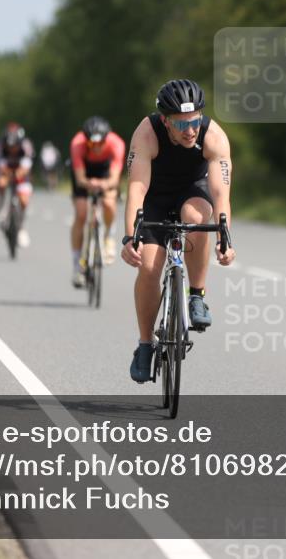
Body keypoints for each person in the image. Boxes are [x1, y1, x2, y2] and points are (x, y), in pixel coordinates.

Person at [120, 79, 236, 383]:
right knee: (148, 267)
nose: (190, 130)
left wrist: (225, 238)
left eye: (195, 121)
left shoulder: (214, 136)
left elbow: (221, 195)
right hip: (155, 197)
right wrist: (131, 237)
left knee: (196, 218)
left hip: (193, 191)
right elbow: (136, 190)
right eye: (181, 124)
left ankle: (196, 294)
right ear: (165, 121)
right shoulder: (146, 134)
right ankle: (145, 345)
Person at [70, 116, 125, 286]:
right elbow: (80, 179)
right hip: (85, 171)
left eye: (100, 143)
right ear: (86, 140)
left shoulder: (116, 144)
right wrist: (89, 183)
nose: (96, 147)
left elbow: (114, 178)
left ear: (106, 139)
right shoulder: (77, 144)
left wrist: (104, 184)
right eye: (92, 143)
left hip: (105, 171)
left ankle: (108, 235)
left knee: (108, 203)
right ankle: (77, 264)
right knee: (81, 214)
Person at [0, 123, 35, 248]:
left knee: (24, 200)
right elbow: (0, 166)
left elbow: (26, 168)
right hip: (6, 171)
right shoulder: (0, 147)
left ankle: (21, 227)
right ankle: (2, 212)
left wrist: (18, 175)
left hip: (21, 174)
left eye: (15, 146)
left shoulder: (26, 147)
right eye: (9, 146)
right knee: (0, 184)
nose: (12, 149)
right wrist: (5, 177)